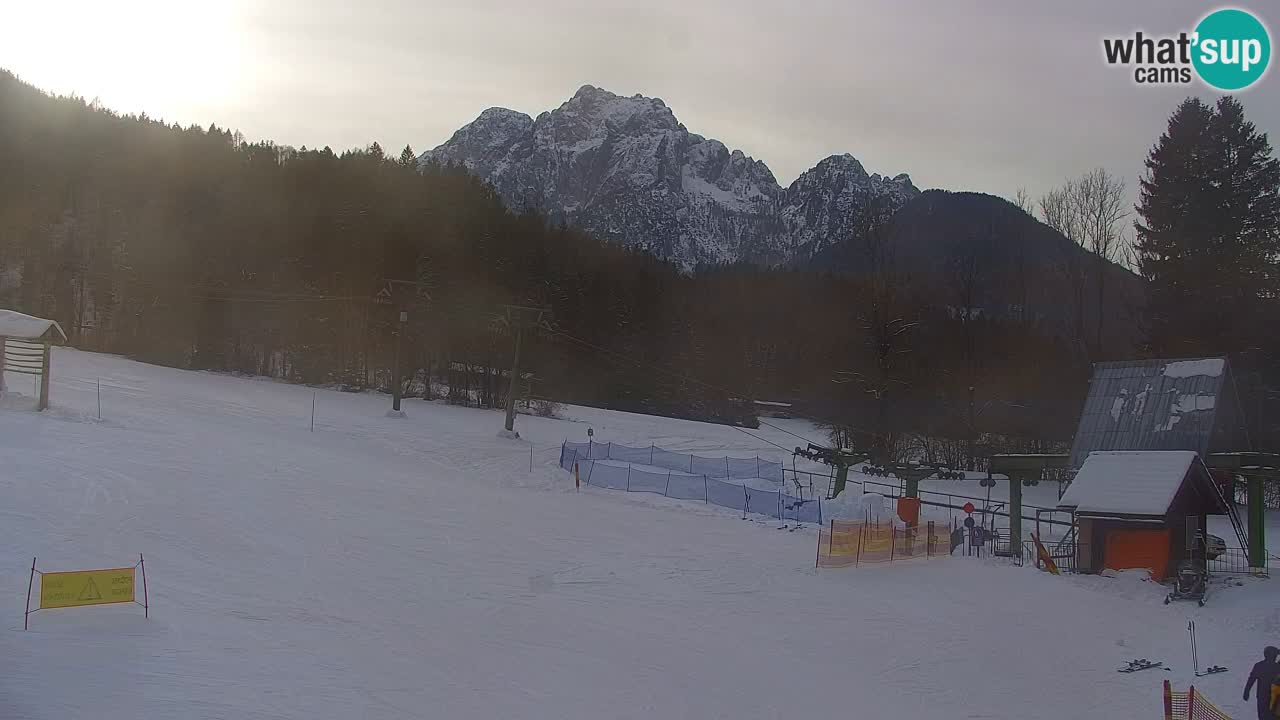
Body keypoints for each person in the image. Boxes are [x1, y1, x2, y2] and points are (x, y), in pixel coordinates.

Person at [1244, 646, 1280, 720]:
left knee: (1263, 716)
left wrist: (1246, 692)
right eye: (1275, 655)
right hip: (1275, 698)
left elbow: (1251, 679)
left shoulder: (1259, 665)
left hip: (1262, 696)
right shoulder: (1277, 667)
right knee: (1274, 717)